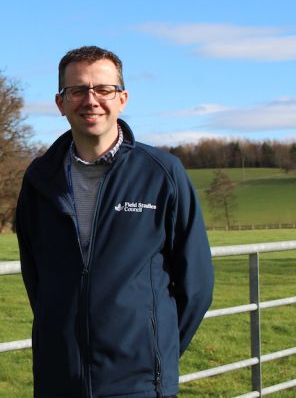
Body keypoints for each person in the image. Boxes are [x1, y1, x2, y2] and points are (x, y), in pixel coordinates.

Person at [15, 45, 214, 398]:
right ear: (60, 103)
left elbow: (195, 284)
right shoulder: (39, 180)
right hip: (59, 380)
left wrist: (154, 353)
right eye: (77, 90)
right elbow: (37, 278)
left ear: (122, 98)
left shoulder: (162, 174)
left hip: (139, 383)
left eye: (103, 89)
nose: (91, 100)